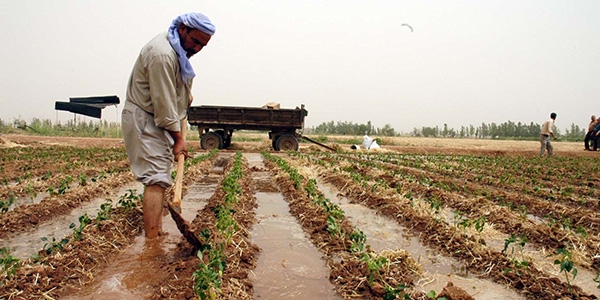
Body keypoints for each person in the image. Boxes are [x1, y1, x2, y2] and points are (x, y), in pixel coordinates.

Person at [121, 12, 215, 238]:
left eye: (203, 45)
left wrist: (185, 99)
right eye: (195, 41)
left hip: (157, 119)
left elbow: (173, 92)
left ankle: (157, 232)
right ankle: (153, 241)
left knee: (160, 175)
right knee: (156, 178)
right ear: (183, 29)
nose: (197, 48)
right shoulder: (162, 55)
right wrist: (179, 139)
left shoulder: (177, 50)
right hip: (146, 119)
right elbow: (163, 104)